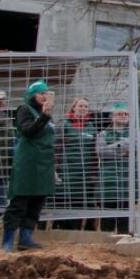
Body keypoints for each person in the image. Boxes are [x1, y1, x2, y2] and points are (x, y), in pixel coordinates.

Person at [1, 81, 56, 253]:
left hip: (44, 163)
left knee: (37, 201)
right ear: (33, 95)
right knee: (19, 201)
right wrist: (44, 116)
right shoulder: (25, 109)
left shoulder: (45, 113)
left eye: (47, 93)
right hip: (27, 162)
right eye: (41, 93)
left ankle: (26, 238)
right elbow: (28, 131)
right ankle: (8, 241)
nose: (44, 95)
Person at [56, 97, 97, 230]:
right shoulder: (64, 125)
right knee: (65, 201)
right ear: (74, 107)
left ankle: (76, 231)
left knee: (80, 202)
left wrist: (93, 172)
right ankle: (62, 230)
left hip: (84, 173)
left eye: (86, 106)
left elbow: (94, 153)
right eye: (80, 106)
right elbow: (56, 148)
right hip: (66, 171)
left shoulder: (91, 128)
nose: (83, 108)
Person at [96, 102, 132, 233]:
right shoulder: (103, 134)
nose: (123, 116)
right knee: (107, 218)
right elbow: (101, 152)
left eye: (126, 114)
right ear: (112, 117)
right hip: (108, 182)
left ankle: (124, 244)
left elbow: (135, 146)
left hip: (126, 182)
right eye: (119, 114)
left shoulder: (134, 132)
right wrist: (122, 146)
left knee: (125, 219)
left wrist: (111, 147)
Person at [0, 90, 12, 241]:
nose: (1, 103)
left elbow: (10, 145)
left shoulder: (7, 121)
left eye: (3, 101)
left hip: (0, 172)